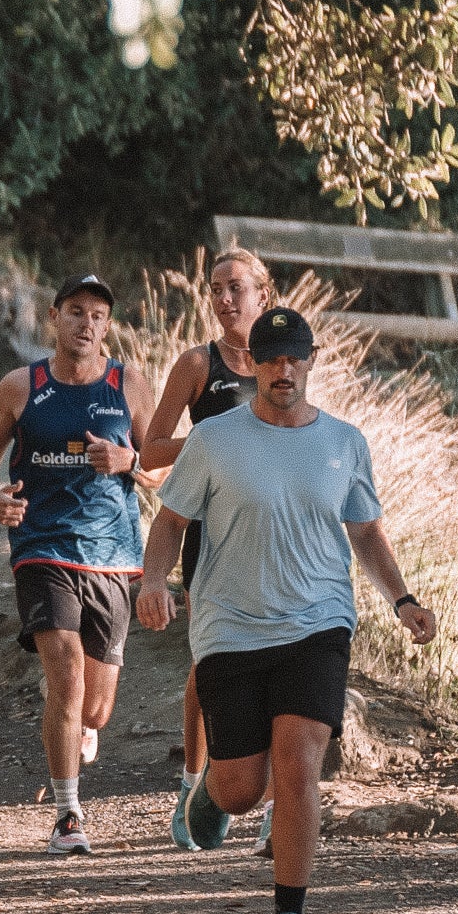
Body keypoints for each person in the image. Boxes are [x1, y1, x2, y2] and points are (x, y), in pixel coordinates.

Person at [136, 305, 437, 914]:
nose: (282, 369)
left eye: (293, 357)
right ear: (254, 365)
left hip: (318, 623)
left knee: (299, 762)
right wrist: (155, 582)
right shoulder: (216, 439)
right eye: (269, 358)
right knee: (245, 786)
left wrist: (403, 599)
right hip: (231, 627)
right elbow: (170, 519)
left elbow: (364, 531)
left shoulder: (344, 442)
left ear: (310, 360)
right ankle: (213, 793)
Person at [0, 273, 154, 857]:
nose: (86, 325)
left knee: (95, 705)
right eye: (76, 312)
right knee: (66, 674)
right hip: (42, 547)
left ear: (108, 326)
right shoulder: (22, 386)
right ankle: (68, 813)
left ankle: (83, 729)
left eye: (98, 315)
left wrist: (128, 460)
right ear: (55, 317)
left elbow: (162, 468)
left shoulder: (131, 384)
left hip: (115, 557)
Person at [139, 245, 277, 850]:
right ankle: (192, 786)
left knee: (279, 659)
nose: (224, 299)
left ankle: (277, 805)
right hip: (210, 533)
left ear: (262, 295)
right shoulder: (198, 364)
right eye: (215, 289)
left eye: (236, 288)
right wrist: (211, 438)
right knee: (208, 662)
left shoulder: (283, 360)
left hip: (275, 535)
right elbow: (149, 449)